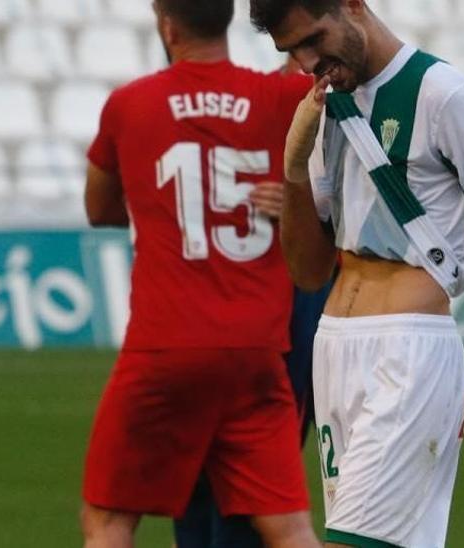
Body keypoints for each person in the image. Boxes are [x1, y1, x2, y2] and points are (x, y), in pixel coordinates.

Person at [248, 1, 464, 546]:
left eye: (313, 40)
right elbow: (308, 270)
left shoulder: (446, 97)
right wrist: (294, 171)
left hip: (408, 357)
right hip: (335, 354)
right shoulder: (325, 108)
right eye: (291, 51)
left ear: (352, 6)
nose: (305, 62)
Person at [80, 1, 322, 546]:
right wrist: (299, 205)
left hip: (164, 348)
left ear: (167, 26)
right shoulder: (283, 99)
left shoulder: (130, 105)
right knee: (289, 529)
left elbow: (98, 209)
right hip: (256, 351)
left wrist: (156, 207)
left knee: (110, 520)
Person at [175, 55, 335, 548]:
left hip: (297, 297)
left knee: (258, 468)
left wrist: (297, 205)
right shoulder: (259, 99)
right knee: (198, 465)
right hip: (230, 295)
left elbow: (362, 209)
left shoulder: (351, 106)